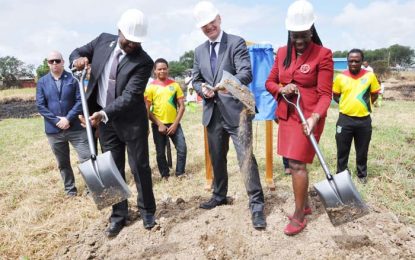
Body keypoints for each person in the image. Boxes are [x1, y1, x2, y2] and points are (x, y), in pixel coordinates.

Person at [69, 9, 157, 237]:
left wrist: (104, 113)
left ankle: (147, 211)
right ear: (119, 31)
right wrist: (77, 59)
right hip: (106, 124)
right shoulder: (102, 41)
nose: (133, 46)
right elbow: (78, 51)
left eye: (137, 42)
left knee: (140, 167)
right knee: (113, 170)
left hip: (131, 122)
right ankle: (119, 215)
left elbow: (129, 96)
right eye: (129, 41)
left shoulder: (144, 61)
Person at [192, 1, 266, 230]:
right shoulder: (199, 51)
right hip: (212, 114)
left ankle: (256, 204)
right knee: (217, 158)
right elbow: (195, 78)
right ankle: (219, 195)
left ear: (219, 19)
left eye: (211, 23)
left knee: (245, 157)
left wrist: (228, 84)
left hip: (237, 113)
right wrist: (200, 88)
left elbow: (246, 72)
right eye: (204, 26)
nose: (208, 28)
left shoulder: (235, 42)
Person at [265, 0, 333, 236]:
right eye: (295, 36)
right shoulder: (283, 52)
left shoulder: (323, 55)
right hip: (287, 114)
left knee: (296, 163)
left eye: (304, 35)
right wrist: (281, 90)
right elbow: (270, 81)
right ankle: (304, 204)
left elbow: (326, 95)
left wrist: (315, 118)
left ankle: (298, 215)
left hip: (309, 116)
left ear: (312, 30)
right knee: (292, 161)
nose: (300, 41)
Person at [36, 51, 90, 196]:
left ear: (63, 62)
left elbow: (80, 101)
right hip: (54, 131)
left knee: (86, 158)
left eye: (57, 61)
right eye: (51, 61)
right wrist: (57, 121)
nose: (54, 64)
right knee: (63, 163)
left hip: (76, 128)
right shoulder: (42, 82)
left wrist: (68, 118)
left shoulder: (73, 79)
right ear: (48, 63)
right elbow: (41, 106)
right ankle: (70, 190)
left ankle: (90, 189)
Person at [333, 49, 380, 184]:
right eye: (351, 61)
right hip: (344, 120)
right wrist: (346, 104)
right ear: (347, 61)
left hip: (364, 121)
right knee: (342, 150)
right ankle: (341, 175)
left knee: (362, 150)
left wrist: (366, 104)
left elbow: (375, 94)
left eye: (356, 61)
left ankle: (362, 175)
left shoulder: (370, 76)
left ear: (362, 62)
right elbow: (335, 95)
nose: (353, 63)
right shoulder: (341, 77)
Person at [145, 58, 187, 179]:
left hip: (175, 124)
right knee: (160, 152)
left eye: (164, 68)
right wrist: (159, 124)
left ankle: (180, 173)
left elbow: (182, 107)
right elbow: (147, 110)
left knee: (182, 148)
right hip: (158, 126)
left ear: (168, 69)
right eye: (159, 69)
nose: (162, 71)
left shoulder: (175, 85)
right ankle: (165, 175)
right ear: (155, 71)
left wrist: (175, 124)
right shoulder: (150, 87)